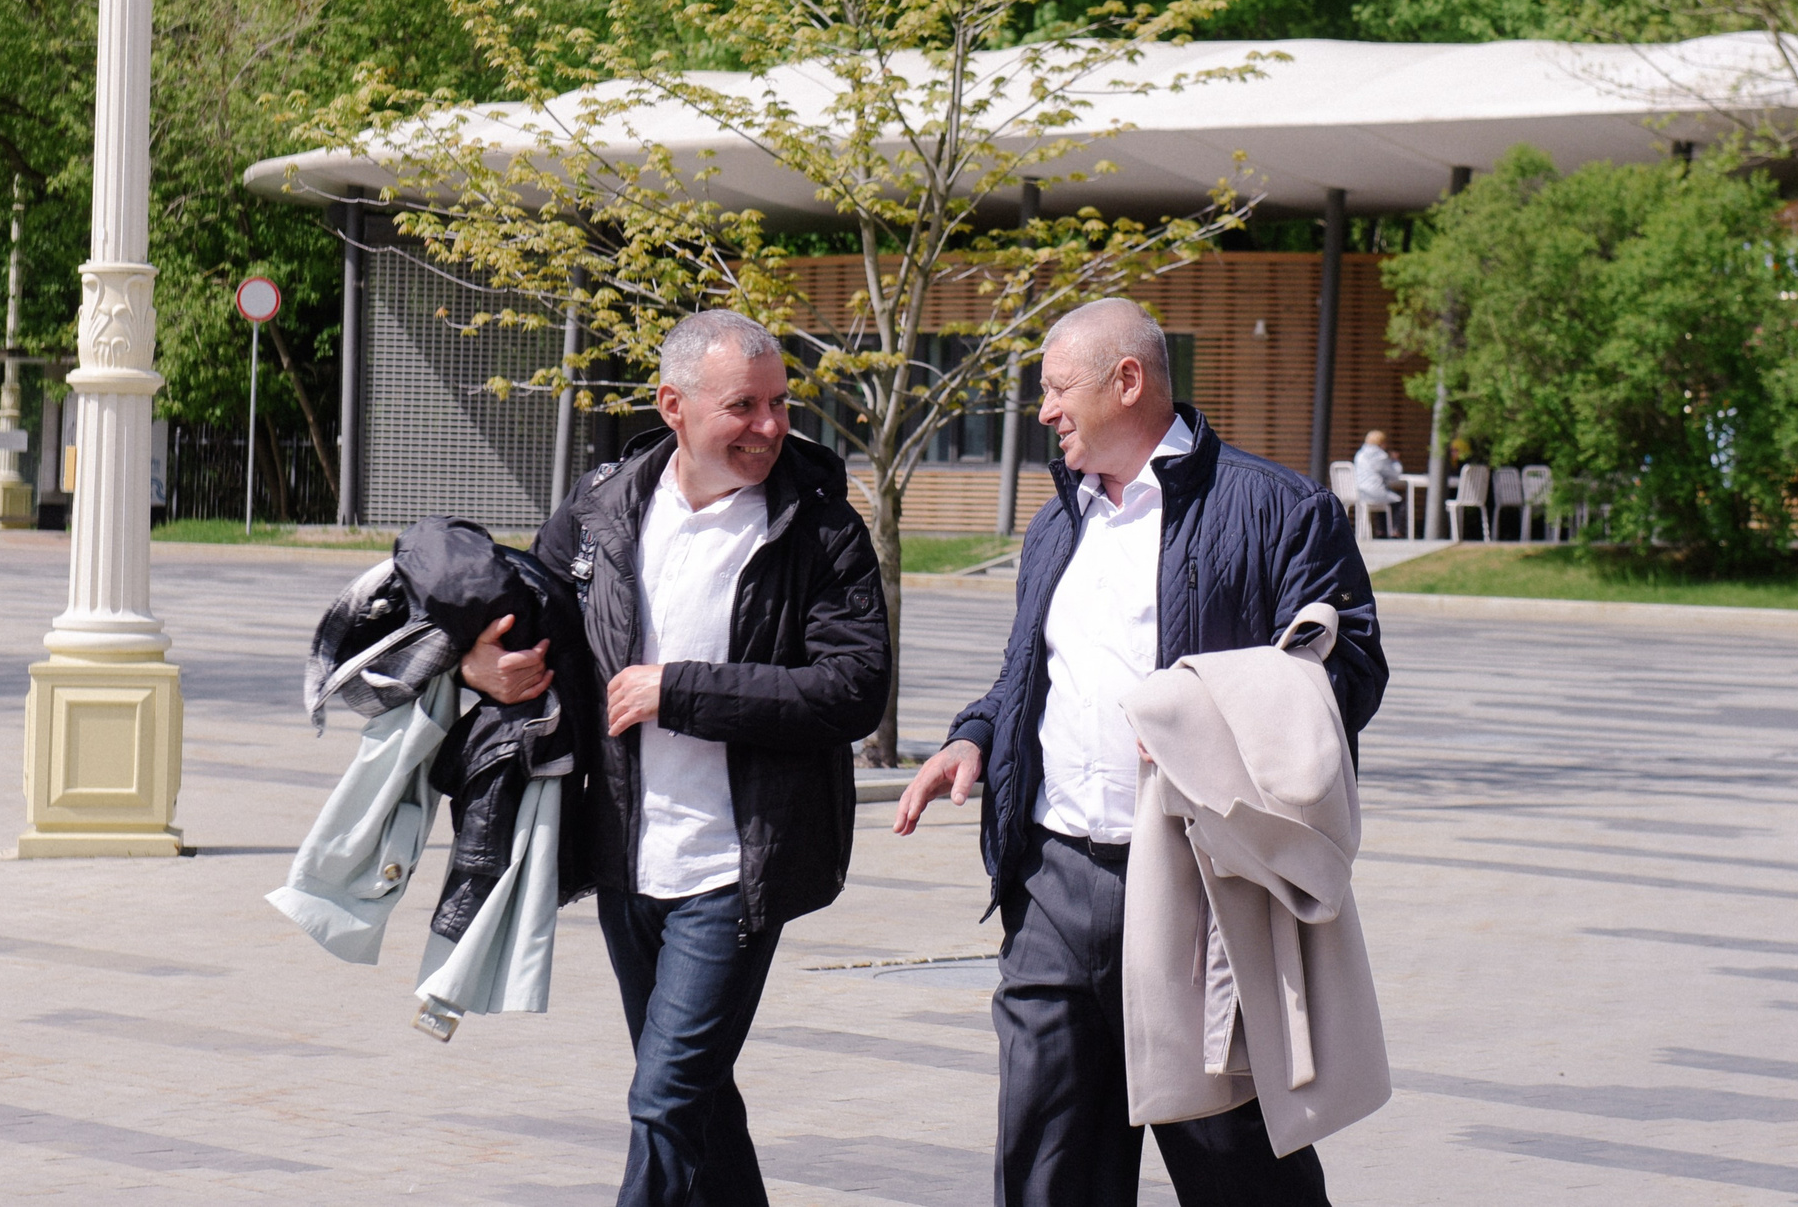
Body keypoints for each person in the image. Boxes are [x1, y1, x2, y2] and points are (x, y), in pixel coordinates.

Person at [893, 297, 1389, 1207]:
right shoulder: (1057, 524)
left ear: (1128, 382)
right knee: (1046, 1164)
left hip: (1200, 886)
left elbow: (1349, 668)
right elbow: (1025, 675)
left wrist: (1198, 712)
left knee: (1233, 1158)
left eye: (1055, 387)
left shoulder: (1278, 508)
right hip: (1053, 881)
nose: (1041, 410)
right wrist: (973, 734)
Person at [462, 309, 890, 1207]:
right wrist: (483, 664)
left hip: (738, 865)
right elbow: (532, 623)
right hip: (627, 862)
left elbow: (854, 689)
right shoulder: (601, 509)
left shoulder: (821, 527)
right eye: (745, 405)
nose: (771, 426)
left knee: (662, 1099)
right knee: (698, 1098)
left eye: (779, 403)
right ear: (674, 406)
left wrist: (680, 690)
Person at [1352, 428, 1403, 539]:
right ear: (1381, 443)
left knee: (1385, 499)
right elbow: (1394, 475)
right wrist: (1395, 461)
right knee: (1397, 501)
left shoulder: (1360, 454)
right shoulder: (1380, 456)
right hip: (1374, 491)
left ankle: (1381, 530)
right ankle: (1395, 530)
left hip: (1359, 492)